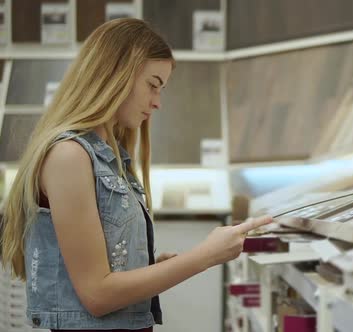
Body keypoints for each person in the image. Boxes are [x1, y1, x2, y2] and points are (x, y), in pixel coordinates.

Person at [0, 18, 272, 331]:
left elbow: (97, 275)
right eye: (152, 85)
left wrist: (145, 268)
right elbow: (96, 295)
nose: (157, 102)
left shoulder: (107, 157)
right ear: (115, 74)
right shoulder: (69, 156)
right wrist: (204, 256)